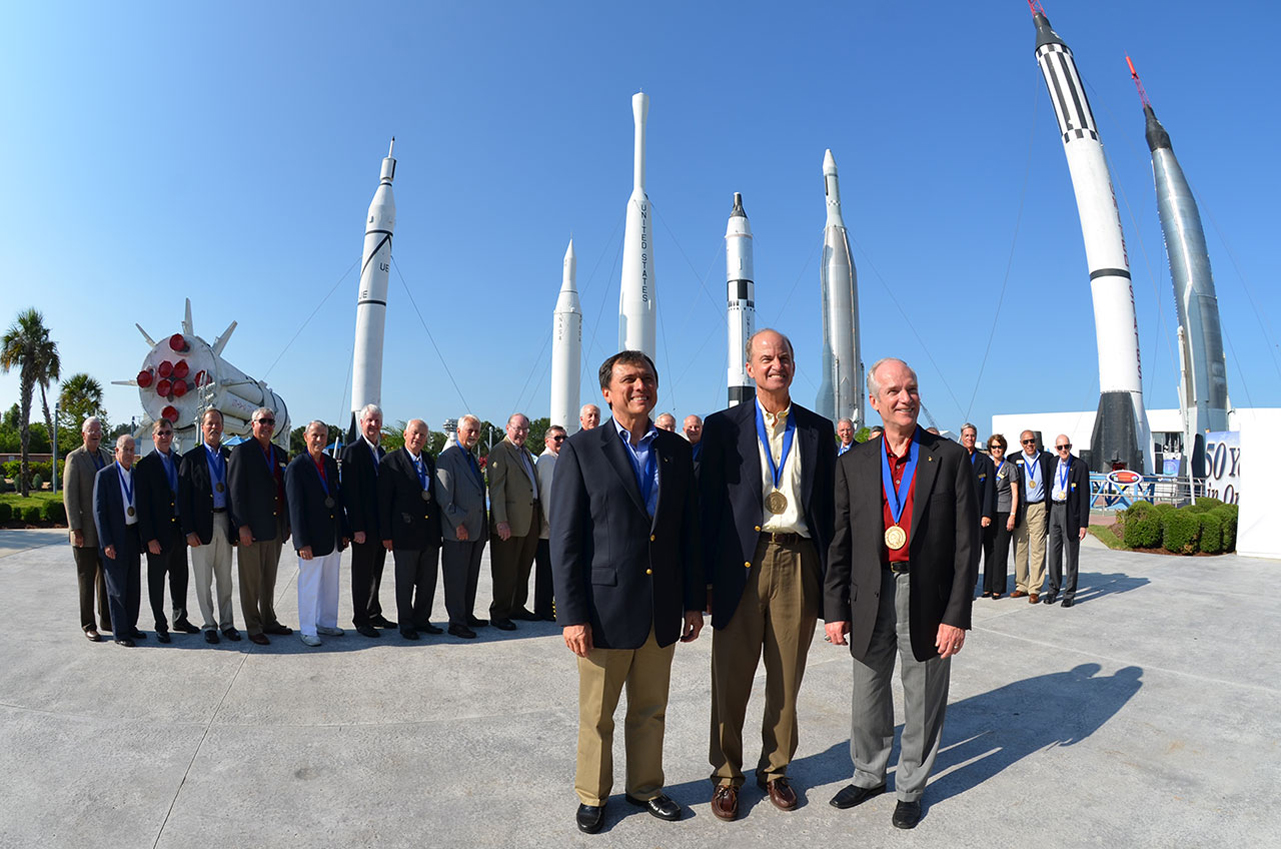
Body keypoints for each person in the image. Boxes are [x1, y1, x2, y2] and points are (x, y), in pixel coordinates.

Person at [550, 350, 704, 834]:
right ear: (607, 391)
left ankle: (645, 787)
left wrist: (693, 601)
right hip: (603, 610)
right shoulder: (581, 449)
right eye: (630, 379)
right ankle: (593, 795)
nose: (641, 386)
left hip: (662, 609)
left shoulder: (676, 451)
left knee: (650, 709)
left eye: (648, 379)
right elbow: (567, 539)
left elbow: (687, 533)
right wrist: (572, 614)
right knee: (597, 714)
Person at [824, 357, 978, 830]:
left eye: (910, 388)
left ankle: (911, 786)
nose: (905, 397)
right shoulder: (853, 463)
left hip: (926, 592)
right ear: (874, 402)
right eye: (893, 391)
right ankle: (869, 774)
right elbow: (841, 540)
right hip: (870, 592)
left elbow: (967, 545)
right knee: (867, 691)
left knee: (923, 693)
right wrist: (834, 608)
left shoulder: (948, 457)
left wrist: (957, 614)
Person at [699, 329, 836, 820]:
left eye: (784, 357)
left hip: (796, 560)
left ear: (793, 366)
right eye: (766, 358)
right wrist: (705, 584)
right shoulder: (722, 427)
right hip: (741, 562)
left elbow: (828, 512)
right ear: (749, 368)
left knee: (785, 678)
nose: (775, 364)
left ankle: (775, 769)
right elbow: (707, 508)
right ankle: (726, 775)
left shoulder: (819, 430)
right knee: (730, 678)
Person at [228, 407, 293, 646]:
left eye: (271, 422)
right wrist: (241, 526)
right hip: (252, 530)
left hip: (275, 527)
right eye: (262, 421)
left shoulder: (280, 453)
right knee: (251, 581)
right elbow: (235, 492)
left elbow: (285, 492)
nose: (266, 425)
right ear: (253, 424)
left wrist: (286, 524)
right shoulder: (242, 452)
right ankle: (254, 626)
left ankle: (268, 619)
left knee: (269, 579)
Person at [287, 421, 350, 646]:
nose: (319, 440)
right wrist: (301, 542)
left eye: (323, 436)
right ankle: (307, 628)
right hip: (311, 539)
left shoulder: (331, 464)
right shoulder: (297, 466)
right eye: (315, 435)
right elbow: (295, 508)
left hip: (332, 535)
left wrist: (343, 531)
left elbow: (338, 499)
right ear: (305, 437)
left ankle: (327, 622)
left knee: (330, 583)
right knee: (310, 584)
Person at [135, 418, 199, 642]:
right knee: (157, 580)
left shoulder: (180, 462)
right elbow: (142, 507)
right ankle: (160, 623)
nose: (164, 437)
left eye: (168, 433)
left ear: (173, 436)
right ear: (153, 437)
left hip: (179, 531)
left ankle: (180, 618)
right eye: (160, 433)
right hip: (158, 535)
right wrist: (149, 538)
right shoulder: (145, 466)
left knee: (180, 577)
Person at [378, 420, 443, 639]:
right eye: (415, 433)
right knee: (405, 582)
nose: (418, 438)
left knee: (427, 582)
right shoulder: (390, 462)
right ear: (406, 434)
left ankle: (422, 619)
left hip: (429, 534)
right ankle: (406, 623)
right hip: (404, 534)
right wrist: (386, 534)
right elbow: (384, 501)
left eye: (423, 435)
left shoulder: (430, 461)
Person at [179, 409, 239, 643]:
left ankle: (228, 623)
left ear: (223, 427)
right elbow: (183, 500)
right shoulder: (190, 459)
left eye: (218, 424)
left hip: (225, 522)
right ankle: (209, 625)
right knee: (203, 581)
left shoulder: (230, 456)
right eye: (210, 424)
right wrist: (187, 530)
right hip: (201, 527)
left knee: (225, 579)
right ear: (202, 428)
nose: (214, 428)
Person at [341, 403, 396, 638]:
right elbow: (350, 493)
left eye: (377, 421)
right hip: (363, 527)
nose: (373, 424)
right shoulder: (353, 451)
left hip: (380, 527)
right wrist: (357, 528)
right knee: (362, 574)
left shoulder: (381, 454)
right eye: (369, 420)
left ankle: (374, 612)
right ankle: (361, 618)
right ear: (362, 423)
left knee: (376, 572)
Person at [486, 413, 542, 630]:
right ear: (508, 428)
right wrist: (501, 521)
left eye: (525, 429)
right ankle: (499, 612)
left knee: (523, 567)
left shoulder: (525, 452)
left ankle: (517, 606)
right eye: (518, 428)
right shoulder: (501, 450)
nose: (522, 433)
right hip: (509, 522)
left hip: (529, 518)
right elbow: (496, 489)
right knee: (505, 569)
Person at [436, 414, 489, 639]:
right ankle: (456, 622)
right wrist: (458, 524)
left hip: (475, 530)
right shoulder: (448, 458)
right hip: (458, 531)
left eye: (477, 431)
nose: (474, 435)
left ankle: (466, 614)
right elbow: (444, 497)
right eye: (470, 430)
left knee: (470, 576)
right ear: (458, 431)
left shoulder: (470, 457)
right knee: (456, 578)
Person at [92, 435, 146, 647]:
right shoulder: (104, 476)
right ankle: (120, 632)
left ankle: (131, 626)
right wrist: (106, 543)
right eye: (126, 449)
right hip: (115, 537)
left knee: (133, 585)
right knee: (116, 587)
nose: (130, 454)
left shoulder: (137, 475)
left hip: (133, 535)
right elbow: (99, 512)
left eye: (133, 450)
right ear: (116, 451)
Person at [63, 416, 113, 641]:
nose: (95, 434)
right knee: (86, 579)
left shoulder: (106, 456)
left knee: (106, 577)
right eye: (91, 431)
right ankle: (88, 624)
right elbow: (70, 497)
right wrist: (76, 528)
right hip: (84, 532)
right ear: (83, 434)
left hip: (104, 532)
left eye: (98, 430)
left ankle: (107, 620)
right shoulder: (74, 458)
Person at [1043, 435, 1090, 608]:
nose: (1064, 450)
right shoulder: (1053, 463)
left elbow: (1085, 497)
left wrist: (1083, 524)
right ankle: (1053, 589)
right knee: (1054, 553)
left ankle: (1069, 593)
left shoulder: (1080, 466)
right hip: (1054, 508)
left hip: (1070, 512)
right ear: (1055, 448)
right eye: (1060, 447)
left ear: (1070, 446)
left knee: (1071, 554)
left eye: (1066, 446)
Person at [1012, 430, 1055, 604]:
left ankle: (1035, 589)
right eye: (1026, 442)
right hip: (1021, 507)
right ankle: (1022, 585)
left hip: (1039, 507)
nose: (1029, 444)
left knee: (1038, 549)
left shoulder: (1046, 458)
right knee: (1020, 548)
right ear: (1021, 443)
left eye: (1032, 441)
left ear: (1036, 442)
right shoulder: (1013, 458)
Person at [533, 425, 566, 622]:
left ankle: (547, 607)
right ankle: (544, 609)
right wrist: (554, 527)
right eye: (557, 438)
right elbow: (547, 496)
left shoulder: (556, 460)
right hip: (549, 530)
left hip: (554, 528)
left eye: (564, 437)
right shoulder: (546, 461)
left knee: (552, 571)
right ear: (547, 441)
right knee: (546, 571)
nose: (561, 441)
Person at [981, 434, 1019, 599]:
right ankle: (987, 587)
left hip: (1004, 511)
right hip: (989, 513)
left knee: (1001, 551)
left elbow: (1015, 493)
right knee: (989, 550)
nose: (997, 450)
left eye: (1000, 447)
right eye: (994, 447)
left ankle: (998, 587)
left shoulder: (1010, 468)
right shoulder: (986, 466)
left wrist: (1012, 515)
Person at [960, 424, 996, 534]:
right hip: (959, 512)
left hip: (977, 512)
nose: (970, 439)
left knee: (976, 547)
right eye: (967, 436)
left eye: (972, 435)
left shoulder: (986, 462)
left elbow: (989, 490)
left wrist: (986, 514)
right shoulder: (954, 458)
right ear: (961, 437)